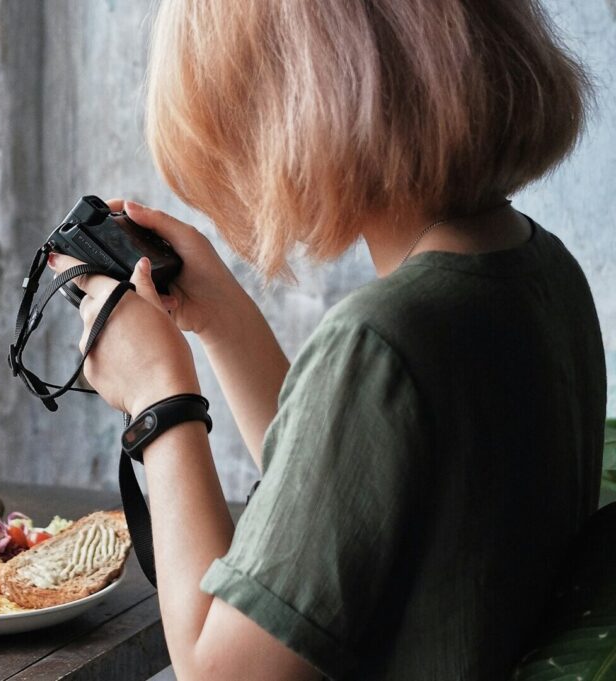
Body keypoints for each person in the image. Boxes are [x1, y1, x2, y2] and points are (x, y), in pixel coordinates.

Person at [48, 1, 604, 679]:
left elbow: (218, 672)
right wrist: (223, 319)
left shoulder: (384, 338)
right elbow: (345, 489)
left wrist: (159, 400)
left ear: (299, 112)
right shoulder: (540, 271)